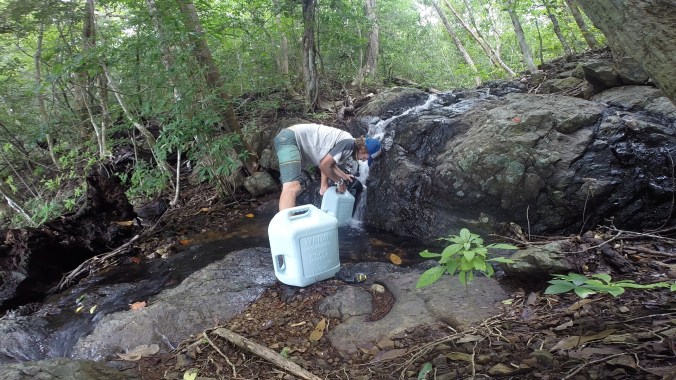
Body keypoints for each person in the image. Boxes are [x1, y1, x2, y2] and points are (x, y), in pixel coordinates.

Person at [274, 123, 381, 211]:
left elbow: (328, 163)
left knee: (289, 187)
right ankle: (286, 230)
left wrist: (340, 177)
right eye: (367, 157)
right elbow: (324, 165)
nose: (365, 160)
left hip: (289, 138)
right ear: (363, 149)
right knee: (292, 187)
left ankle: (285, 227)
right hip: (291, 139)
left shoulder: (348, 144)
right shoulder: (348, 144)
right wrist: (340, 182)